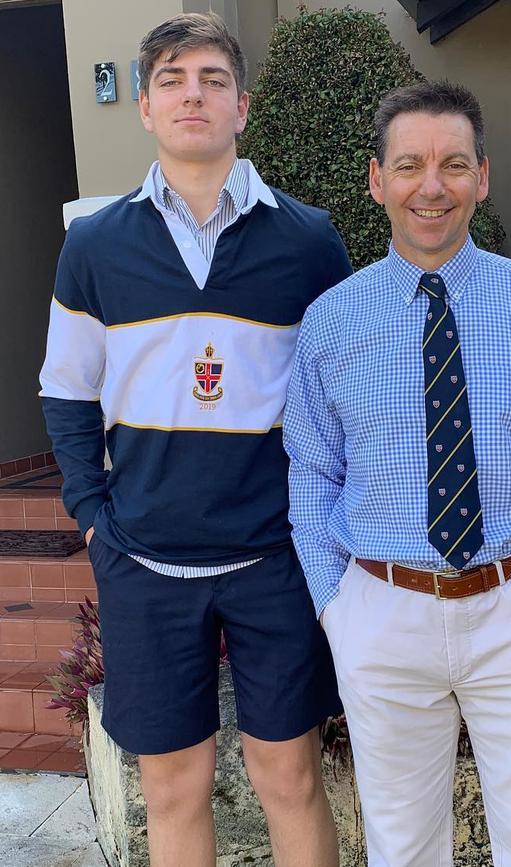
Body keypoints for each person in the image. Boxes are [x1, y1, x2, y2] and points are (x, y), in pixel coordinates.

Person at [40, 12, 351, 867]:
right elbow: (66, 393)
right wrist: (94, 516)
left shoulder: (310, 242)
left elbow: (345, 396)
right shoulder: (95, 247)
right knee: (173, 788)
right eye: (173, 80)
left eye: (213, 79)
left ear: (242, 105)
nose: (193, 95)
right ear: (144, 106)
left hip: (274, 558)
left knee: (288, 777)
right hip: (142, 560)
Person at [284, 80, 511, 867]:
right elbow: (311, 472)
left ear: (483, 176)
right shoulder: (331, 321)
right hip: (381, 612)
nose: (431, 186)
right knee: (402, 847)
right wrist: (338, 607)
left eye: (453, 164)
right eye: (409, 165)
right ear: (377, 180)